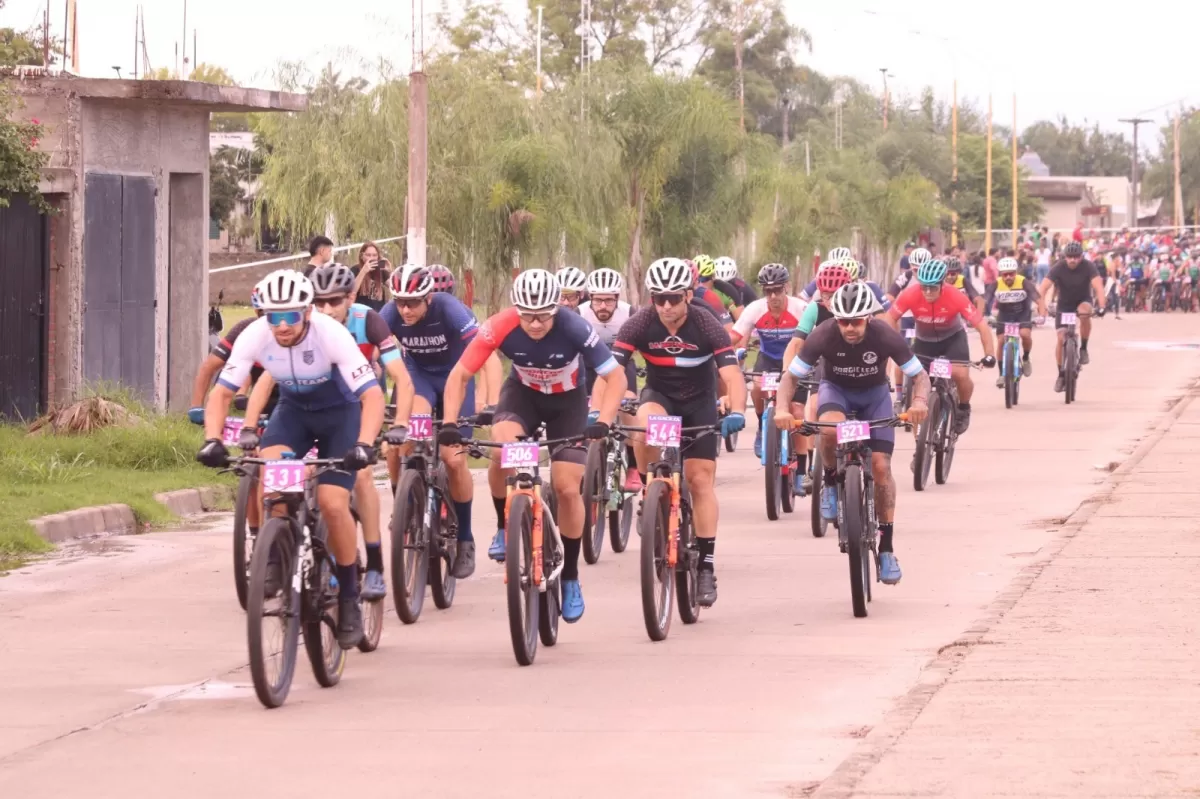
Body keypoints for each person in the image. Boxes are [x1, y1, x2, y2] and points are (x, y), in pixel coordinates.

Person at [196, 269, 386, 649]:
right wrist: (213, 439)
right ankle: (273, 559)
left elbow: (372, 397)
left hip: (340, 416)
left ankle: (349, 596)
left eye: (290, 316)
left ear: (307, 313)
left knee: (333, 503)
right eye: (273, 317)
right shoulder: (254, 334)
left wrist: (364, 444)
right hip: (293, 413)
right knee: (274, 488)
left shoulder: (333, 336)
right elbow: (221, 393)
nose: (281, 326)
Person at [439, 269, 627, 623]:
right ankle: (502, 524)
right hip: (522, 395)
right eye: (528, 315)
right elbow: (460, 375)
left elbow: (614, 376)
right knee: (501, 452)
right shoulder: (500, 324)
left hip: (567, 402)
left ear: (556, 309)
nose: (536, 324)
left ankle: (570, 575)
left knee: (567, 487)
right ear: (516, 309)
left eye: (543, 315)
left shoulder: (574, 327)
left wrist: (603, 420)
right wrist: (449, 423)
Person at [246, 263, 407, 601]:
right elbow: (266, 380)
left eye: (333, 301)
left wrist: (399, 424)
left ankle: (375, 562)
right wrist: (248, 427)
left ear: (350, 298)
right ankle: (280, 553)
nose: (326, 310)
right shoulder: (295, 331)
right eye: (319, 303)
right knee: (278, 479)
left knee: (359, 478)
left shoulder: (368, 322)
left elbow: (400, 380)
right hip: (300, 409)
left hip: (355, 403)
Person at [775, 282, 930, 585]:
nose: (849, 328)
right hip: (837, 392)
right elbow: (790, 377)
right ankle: (831, 481)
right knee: (830, 430)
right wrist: (782, 408)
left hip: (875, 397)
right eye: (843, 321)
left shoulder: (885, 334)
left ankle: (886, 549)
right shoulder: (823, 334)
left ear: (868, 318)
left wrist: (919, 402)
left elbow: (919, 376)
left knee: (882, 468)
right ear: (835, 317)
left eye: (855, 322)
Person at [613, 257, 746, 606]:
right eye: (659, 298)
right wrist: (601, 408)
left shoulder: (706, 323)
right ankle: (647, 490)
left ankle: (705, 566)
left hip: (699, 403)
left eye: (674, 297)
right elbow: (611, 370)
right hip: (661, 397)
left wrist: (735, 408)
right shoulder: (640, 322)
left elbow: (731, 375)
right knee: (642, 427)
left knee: (700, 481)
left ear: (688, 294)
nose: (667, 306)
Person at [379, 264, 502, 579]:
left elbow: (487, 354)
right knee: (399, 443)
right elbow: (365, 354)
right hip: (419, 380)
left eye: (413, 303)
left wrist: (489, 403)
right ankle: (403, 503)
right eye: (400, 302)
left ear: (429, 297)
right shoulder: (391, 313)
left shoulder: (451, 310)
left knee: (453, 458)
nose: (405, 309)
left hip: (456, 379)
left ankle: (465, 539)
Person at [886, 259, 996, 436]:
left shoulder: (955, 296)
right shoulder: (910, 294)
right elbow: (890, 318)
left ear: (942, 284)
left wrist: (989, 354)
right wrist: (893, 340)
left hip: (952, 339)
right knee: (919, 388)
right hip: (924, 341)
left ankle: (964, 408)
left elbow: (982, 326)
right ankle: (919, 447)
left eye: (933, 287)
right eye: (924, 287)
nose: (928, 292)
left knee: (960, 374)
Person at [730, 263, 806, 467]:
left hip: (795, 362)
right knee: (756, 386)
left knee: (797, 411)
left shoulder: (800, 308)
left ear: (786, 287)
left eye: (777, 290)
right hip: (768, 359)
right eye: (768, 291)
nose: (773, 296)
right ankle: (762, 426)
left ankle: (800, 469)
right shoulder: (755, 308)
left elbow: (816, 340)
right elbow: (735, 336)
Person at [579, 268, 642, 492]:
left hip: (622, 366)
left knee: (628, 407)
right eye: (597, 300)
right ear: (589, 298)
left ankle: (634, 466)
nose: (602, 306)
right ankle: (584, 460)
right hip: (589, 367)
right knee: (583, 410)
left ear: (617, 299)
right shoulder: (579, 313)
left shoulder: (629, 313)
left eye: (608, 300)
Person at [1038, 240, 1106, 392]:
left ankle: (1083, 348)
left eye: (1076, 257)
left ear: (1081, 256)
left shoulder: (1088, 266)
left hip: (1083, 300)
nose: (1073, 260)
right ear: (1065, 257)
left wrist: (1101, 306)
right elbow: (1042, 288)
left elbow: (1098, 287)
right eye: (1069, 257)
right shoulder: (1058, 267)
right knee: (1061, 338)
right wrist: (1042, 307)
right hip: (1065, 304)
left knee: (1084, 313)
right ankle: (1061, 374)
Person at [991, 257, 1041, 386]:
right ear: (1001, 274)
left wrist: (1042, 313)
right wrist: (982, 315)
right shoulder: (996, 283)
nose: (1008, 277)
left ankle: (1025, 358)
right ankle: (1001, 375)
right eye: (1005, 274)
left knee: (1025, 334)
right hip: (1004, 315)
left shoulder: (1023, 282)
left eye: (1011, 274)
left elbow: (1036, 297)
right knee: (1001, 341)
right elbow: (986, 298)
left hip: (1022, 314)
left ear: (1016, 273)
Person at [351, 241, 392, 311]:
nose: (371, 258)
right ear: (362, 256)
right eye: (368, 255)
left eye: (374, 255)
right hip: (361, 313)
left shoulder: (381, 271)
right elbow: (352, 291)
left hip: (378, 313)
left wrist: (390, 272)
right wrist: (363, 271)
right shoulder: (355, 269)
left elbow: (394, 288)